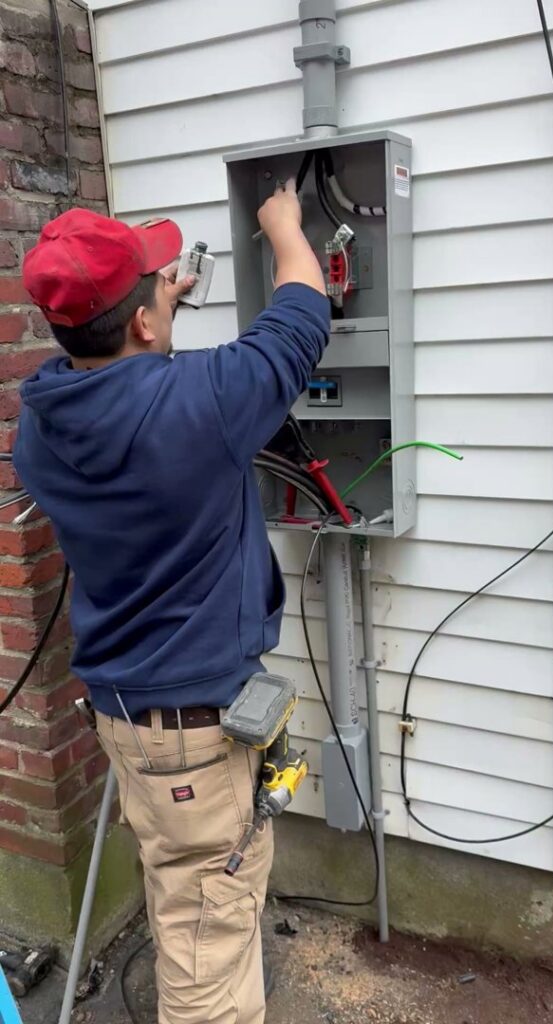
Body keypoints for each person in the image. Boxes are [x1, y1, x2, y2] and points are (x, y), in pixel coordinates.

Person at [14, 181, 329, 1024]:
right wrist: (284, 228)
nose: (169, 282)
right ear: (145, 323)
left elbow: (111, 377)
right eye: (158, 279)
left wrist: (145, 315)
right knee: (208, 961)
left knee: (185, 901)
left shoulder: (39, 426)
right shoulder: (202, 404)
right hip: (191, 742)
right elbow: (301, 316)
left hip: (131, 725)